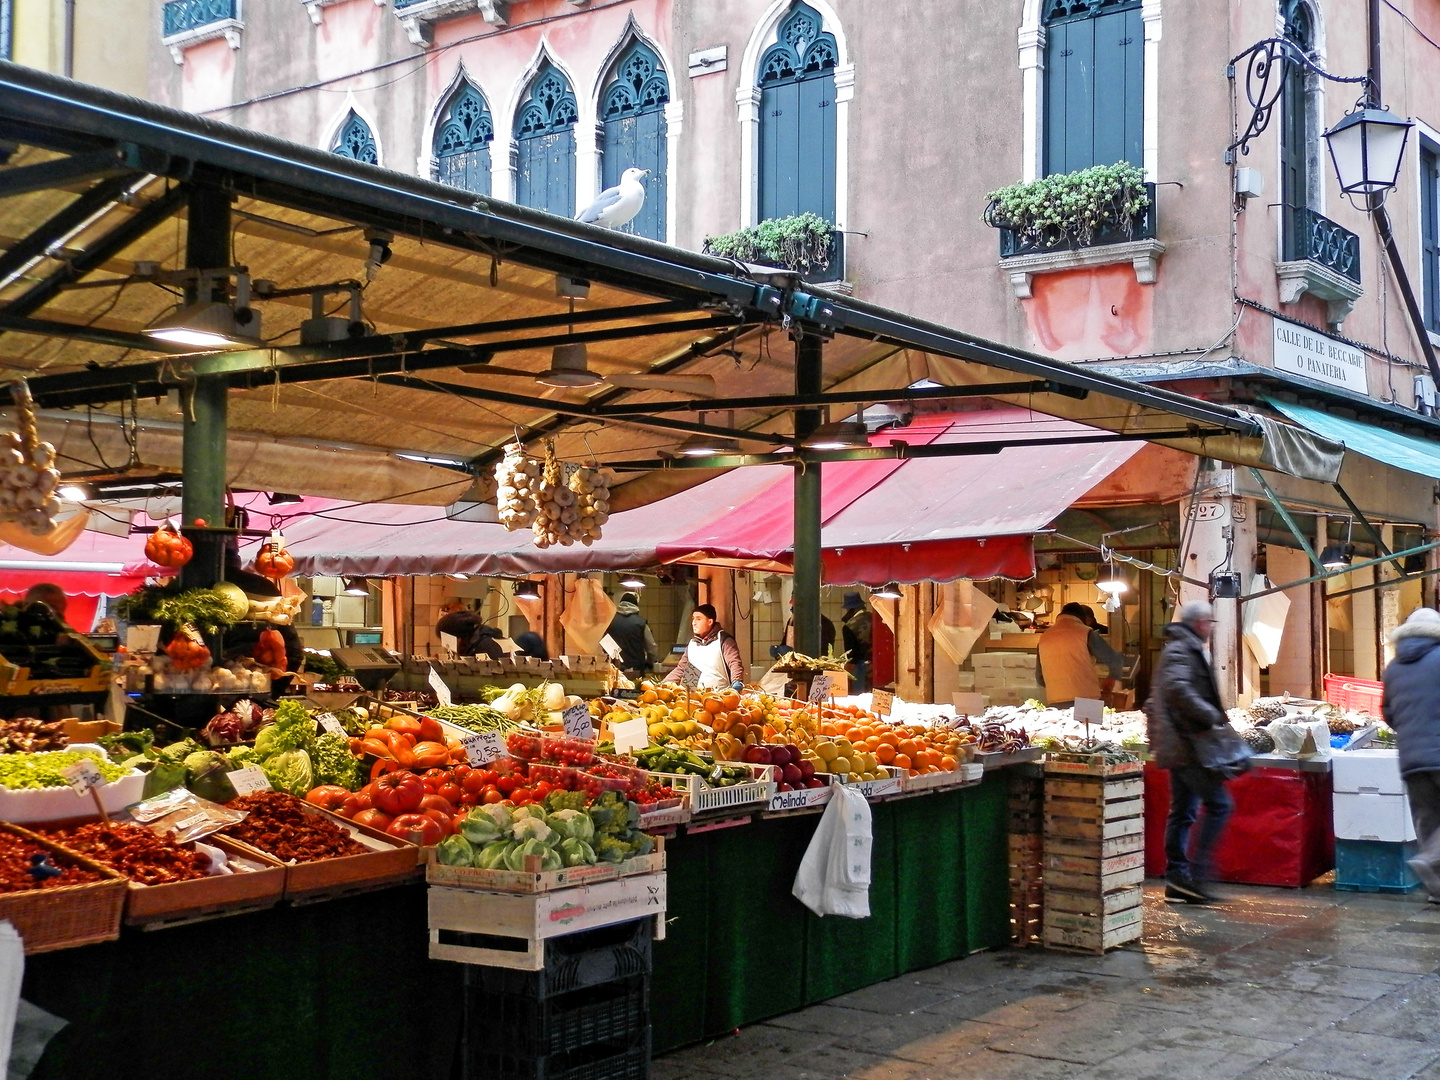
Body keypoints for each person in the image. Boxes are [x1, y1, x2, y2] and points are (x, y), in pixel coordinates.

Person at [1146, 600, 1233, 904]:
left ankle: (1178, 880)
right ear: (1200, 623)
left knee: (1182, 812)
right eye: (1210, 622)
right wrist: (1209, 713)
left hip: (1181, 746)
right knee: (1220, 805)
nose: (1211, 627)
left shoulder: (1182, 648)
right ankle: (1196, 874)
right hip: (1187, 746)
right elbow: (1178, 690)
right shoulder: (1182, 651)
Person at [1380, 606, 1440, 902]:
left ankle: (1436, 891)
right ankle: (1430, 859)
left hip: (1411, 758)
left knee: (1428, 820)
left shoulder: (1393, 667)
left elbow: (1388, 714)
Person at [1036, 602, 1125, 707]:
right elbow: (1116, 660)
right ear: (1081, 619)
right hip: (1087, 701)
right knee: (1088, 724)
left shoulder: (1044, 638)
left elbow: (1040, 678)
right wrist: (1111, 681)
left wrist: (1058, 687)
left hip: (1055, 703)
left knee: (1062, 724)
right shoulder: (1085, 633)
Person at [665, 604, 745, 691]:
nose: (694, 623)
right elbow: (681, 669)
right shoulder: (692, 643)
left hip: (719, 697)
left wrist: (736, 682)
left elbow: (734, 663)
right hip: (693, 697)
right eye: (693, 619)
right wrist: (663, 684)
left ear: (710, 622)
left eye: (698, 619)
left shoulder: (723, 641)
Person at [605, 591, 659, 677]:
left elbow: (604, 645)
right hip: (636, 671)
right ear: (636, 606)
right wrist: (650, 663)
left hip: (613, 671)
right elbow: (651, 648)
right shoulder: (641, 623)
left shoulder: (609, 622)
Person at [434, 604, 504, 659]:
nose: (447, 647)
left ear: (457, 637)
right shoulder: (472, 645)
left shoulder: (485, 647)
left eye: (446, 641)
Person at [840, 591, 872, 691]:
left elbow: (850, 656)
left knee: (860, 698)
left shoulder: (849, 626)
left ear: (850, 609)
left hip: (859, 669)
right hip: (877, 667)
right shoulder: (875, 618)